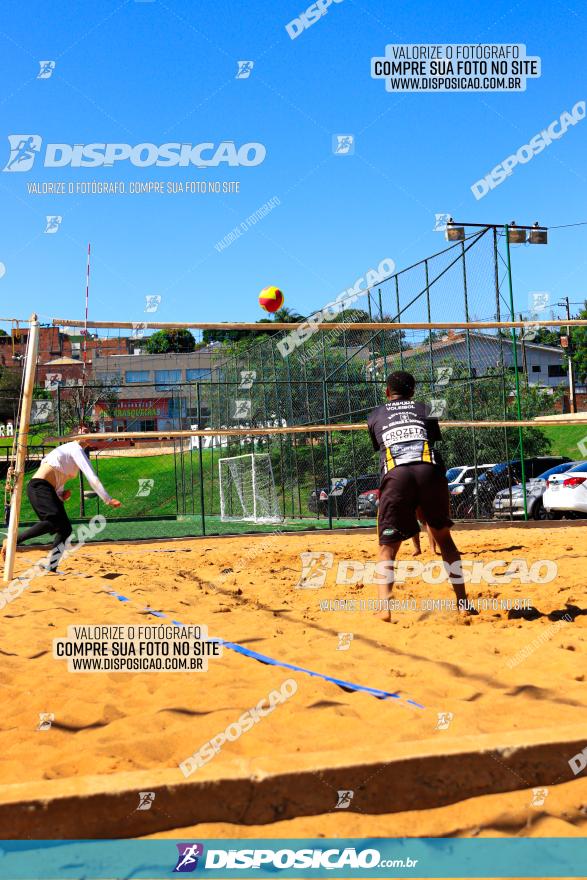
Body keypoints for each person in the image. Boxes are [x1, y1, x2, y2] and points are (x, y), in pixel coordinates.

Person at [367, 371, 474, 619]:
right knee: (444, 539)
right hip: (429, 471)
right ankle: (462, 602)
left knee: (387, 548)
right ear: (413, 391)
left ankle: (384, 607)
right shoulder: (425, 408)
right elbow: (431, 439)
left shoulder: (375, 415)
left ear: (386, 391)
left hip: (397, 475)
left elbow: (380, 446)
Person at [2, 427, 121, 573]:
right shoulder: (74, 448)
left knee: (65, 529)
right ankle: (13, 542)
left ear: (90, 440)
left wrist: (60, 495)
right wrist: (107, 498)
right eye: (82, 431)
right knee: (53, 522)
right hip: (38, 487)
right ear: (75, 435)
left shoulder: (70, 454)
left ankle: (52, 566)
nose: (86, 433)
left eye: (88, 431)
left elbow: (57, 475)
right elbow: (91, 476)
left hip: (47, 489)